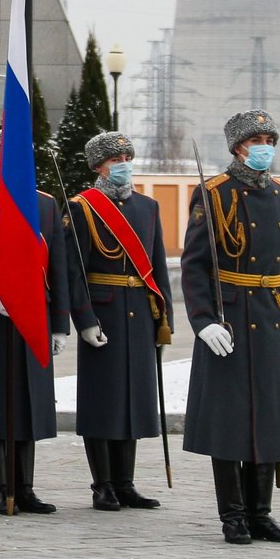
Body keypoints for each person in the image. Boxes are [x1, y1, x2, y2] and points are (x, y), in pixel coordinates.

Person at [184, 111, 280, 545]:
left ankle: (261, 513)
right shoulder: (213, 194)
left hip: (271, 317)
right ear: (237, 147)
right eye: (256, 139)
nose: (264, 145)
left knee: (268, 420)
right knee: (229, 421)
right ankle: (233, 514)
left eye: (269, 138)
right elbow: (195, 265)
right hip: (229, 317)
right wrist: (203, 321)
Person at [0, 130, 75, 515]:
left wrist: (59, 323)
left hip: (35, 314)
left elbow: (58, 267)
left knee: (29, 403)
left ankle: (24, 487)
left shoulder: (43, 204)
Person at [64, 131, 174, 512]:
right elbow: (73, 270)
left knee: (133, 399)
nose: (123, 163)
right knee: (103, 400)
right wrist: (84, 318)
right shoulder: (82, 207)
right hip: (104, 309)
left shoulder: (147, 207)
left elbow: (157, 265)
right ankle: (103, 484)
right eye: (115, 159)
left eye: (127, 156)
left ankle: (125, 482)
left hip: (140, 311)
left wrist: (165, 318)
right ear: (98, 166)